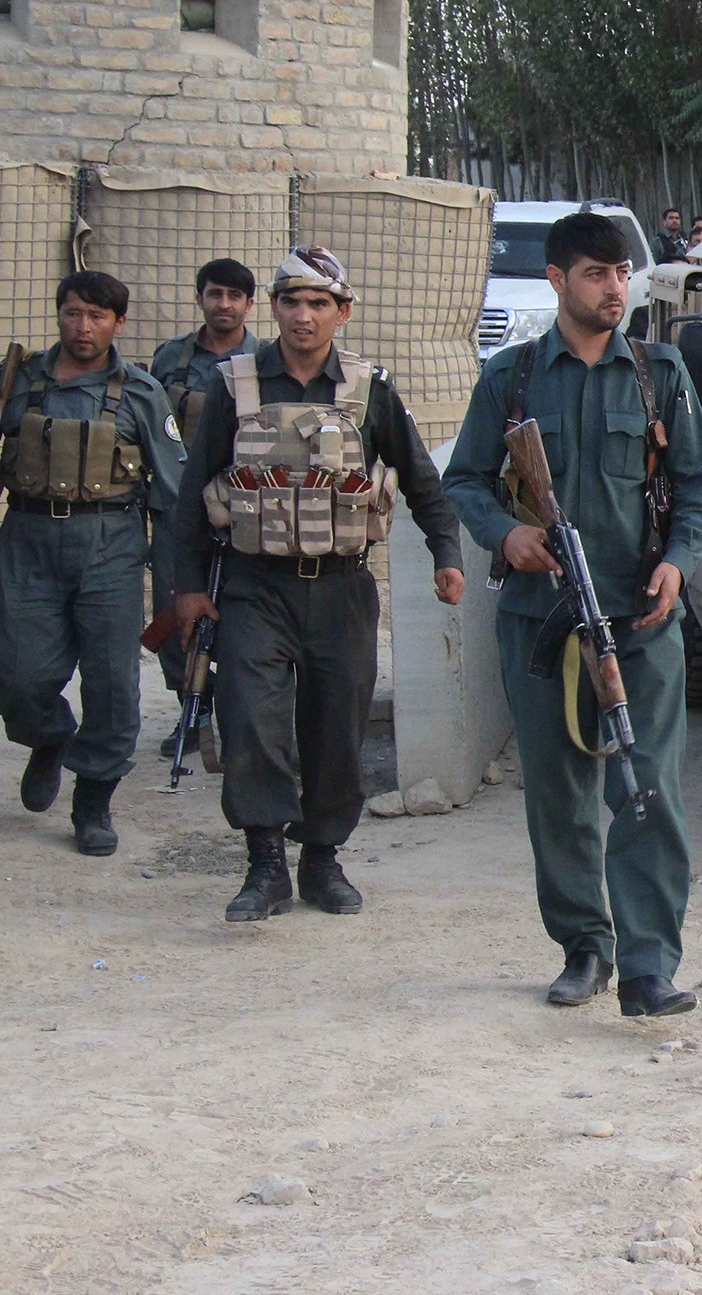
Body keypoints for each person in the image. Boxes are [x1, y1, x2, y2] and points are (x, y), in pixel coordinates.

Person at [443, 212, 702, 1018]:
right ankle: (583, 949)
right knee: (559, 795)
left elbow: (698, 487)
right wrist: (508, 535)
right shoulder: (514, 378)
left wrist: (677, 563)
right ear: (558, 280)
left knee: (647, 788)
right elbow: (465, 481)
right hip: (541, 621)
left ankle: (648, 966)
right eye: (597, 275)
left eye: (623, 274)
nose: (614, 288)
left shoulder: (657, 374)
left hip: (638, 618)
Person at [172, 247, 465, 922]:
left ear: (343, 312)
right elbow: (193, 491)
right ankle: (265, 864)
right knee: (252, 722)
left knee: (336, 727)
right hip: (253, 585)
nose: (304, 317)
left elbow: (423, 483)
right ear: (273, 309)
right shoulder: (234, 386)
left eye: (319, 304)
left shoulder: (370, 390)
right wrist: (188, 586)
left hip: (341, 588)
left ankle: (322, 859)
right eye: (291, 303)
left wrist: (446, 554)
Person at [0, 271, 184, 855]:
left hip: (110, 544)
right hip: (27, 538)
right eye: (74, 313)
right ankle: (48, 736)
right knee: (19, 675)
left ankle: (94, 799)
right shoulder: (22, 380)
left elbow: (173, 483)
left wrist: (179, 568)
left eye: (97, 317)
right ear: (59, 314)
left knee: (111, 682)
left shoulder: (140, 393)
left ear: (118, 324)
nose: (84, 327)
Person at [146, 256, 259, 748]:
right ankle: (191, 707)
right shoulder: (170, 358)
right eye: (215, 294)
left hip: (245, 509)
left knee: (243, 613)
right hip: (178, 506)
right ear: (201, 298)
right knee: (177, 608)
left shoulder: (265, 362)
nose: (224, 305)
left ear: (251, 305)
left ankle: (237, 712)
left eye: (235, 296)